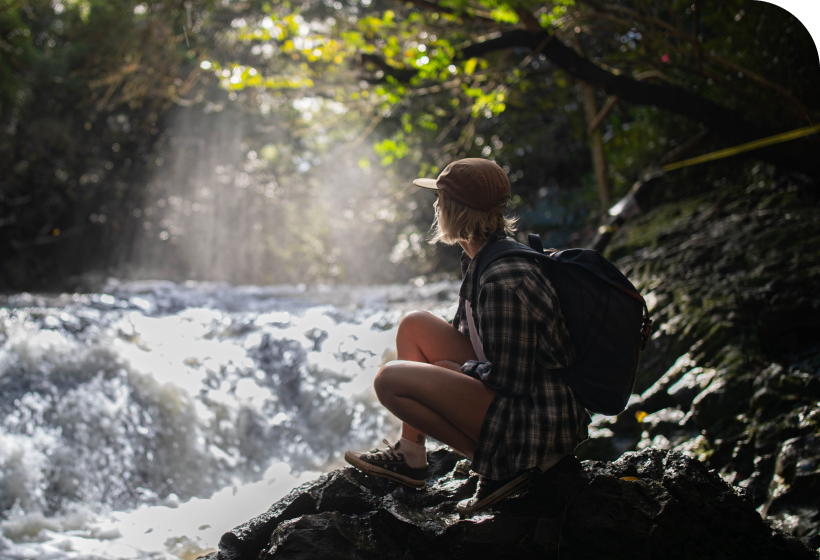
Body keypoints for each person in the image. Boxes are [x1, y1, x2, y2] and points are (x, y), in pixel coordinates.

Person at [344, 158, 590, 515]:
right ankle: (411, 454)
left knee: (389, 380)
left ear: (454, 209)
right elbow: (479, 343)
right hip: (520, 400)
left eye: (439, 199)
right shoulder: (480, 258)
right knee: (414, 324)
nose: (435, 205)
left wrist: (457, 371)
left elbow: (513, 379)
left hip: (537, 421)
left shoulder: (504, 276)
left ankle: (499, 468)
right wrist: (455, 369)